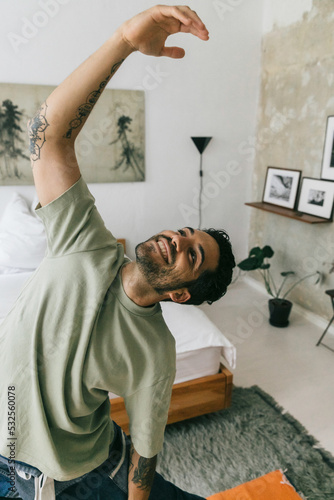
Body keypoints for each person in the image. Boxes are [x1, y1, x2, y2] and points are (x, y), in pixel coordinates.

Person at [0, 5, 235, 499]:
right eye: (187, 233)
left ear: (184, 296)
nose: (179, 238)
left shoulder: (155, 353)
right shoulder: (82, 237)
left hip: (65, 476)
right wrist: (125, 40)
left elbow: (146, 454)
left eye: (191, 255)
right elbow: (48, 138)